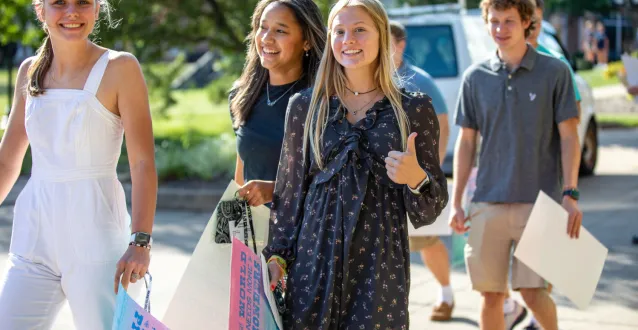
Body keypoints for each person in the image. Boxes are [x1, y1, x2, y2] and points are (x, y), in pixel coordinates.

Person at [263, 0, 448, 328]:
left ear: (382, 37)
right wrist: (277, 256)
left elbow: (429, 210)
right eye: (340, 31)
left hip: (379, 261)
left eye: (360, 30)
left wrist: (416, 178)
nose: (348, 39)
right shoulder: (305, 107)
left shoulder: (412, 109)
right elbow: (289, 193)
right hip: (312, 258)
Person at [0, 0, 157, 328]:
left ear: (97, 10)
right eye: (59, 3)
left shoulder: (120, 68)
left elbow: (142, 162)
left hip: (96, 237)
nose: (72, 12)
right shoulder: (30, 71)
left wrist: (140, 241)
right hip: (35, 234)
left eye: (83, 2)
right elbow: (6, 161)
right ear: (40, 10)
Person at [449, 1, 583, 330]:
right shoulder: (474, 77)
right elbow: (466, 142)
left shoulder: (556, 72)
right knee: (491, 296)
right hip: (486, 203)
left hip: (540, 204)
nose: (500, 29)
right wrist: (456, 202)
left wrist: (570, 193)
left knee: (534, 293)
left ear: (527, 23)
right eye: (494, 21)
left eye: (509, 21)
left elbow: (569, 137)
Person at [500, 1, 584, 328]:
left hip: (545, 185)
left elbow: (570, 125)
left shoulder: (555, 64)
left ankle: (537, 317)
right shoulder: (500, 58)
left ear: (536, 17)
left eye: (531, 16)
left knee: (538, 278)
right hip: (503, 185)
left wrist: (569, 190)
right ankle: (524, 313)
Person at [388, 20, 455, 322]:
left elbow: (442, 124)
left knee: (427, 240)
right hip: (388, 182)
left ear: (400, 45)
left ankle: (446, 292)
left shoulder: (419, 80)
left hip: (416, 180)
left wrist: (429, 173)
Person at [230, 0, 326, 207]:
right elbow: (242, 174)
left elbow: (335, 182)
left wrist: (275, 190)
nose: (266, 38)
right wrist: (230, 234)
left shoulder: (324, 101)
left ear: (307, 41)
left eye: (280, 31)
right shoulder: (242, 95)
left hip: (307, 234)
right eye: (262, 27)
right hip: (255, 235)